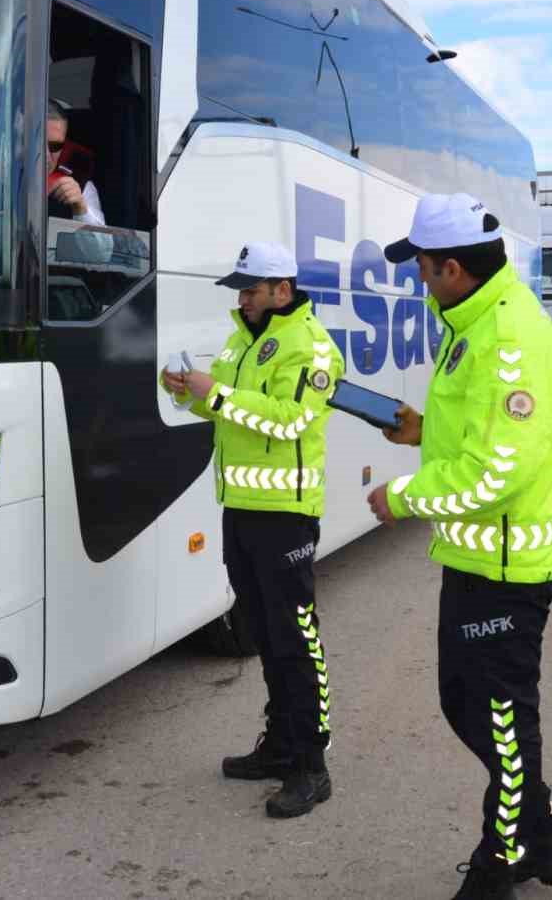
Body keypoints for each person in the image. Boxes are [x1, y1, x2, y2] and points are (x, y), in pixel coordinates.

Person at [366, 194, 552, 899]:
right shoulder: (473, 322)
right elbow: (477, 437)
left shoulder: (511, 339)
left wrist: (402, 497)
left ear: (453, 268)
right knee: (467, 703)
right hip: (473, 559)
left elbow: (495, 473)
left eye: (423, 269)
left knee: (501, 716)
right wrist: (421, 431)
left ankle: (501, 860)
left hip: (506, 566)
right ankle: (542, 832)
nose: (419, 281)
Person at [161, 241, 345, 818]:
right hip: (240, 508)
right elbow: (228, 410)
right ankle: (280, 745)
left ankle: (312, 765)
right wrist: (186, 391)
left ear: (281, 291)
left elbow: (288, 420)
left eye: (251, 289)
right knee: (263, 634)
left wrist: (211, 391)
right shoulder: (244, 338)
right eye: (240, 289)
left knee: (296, 639)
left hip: (285, 514)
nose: (241, 298)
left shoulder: (312, 347)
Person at [46, 99, 104, 226]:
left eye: (55, 146)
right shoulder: (1, 178)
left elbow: (103, 246)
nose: (46, 155)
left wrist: (80, 208)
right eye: (38, 144)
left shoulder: (80, 184)